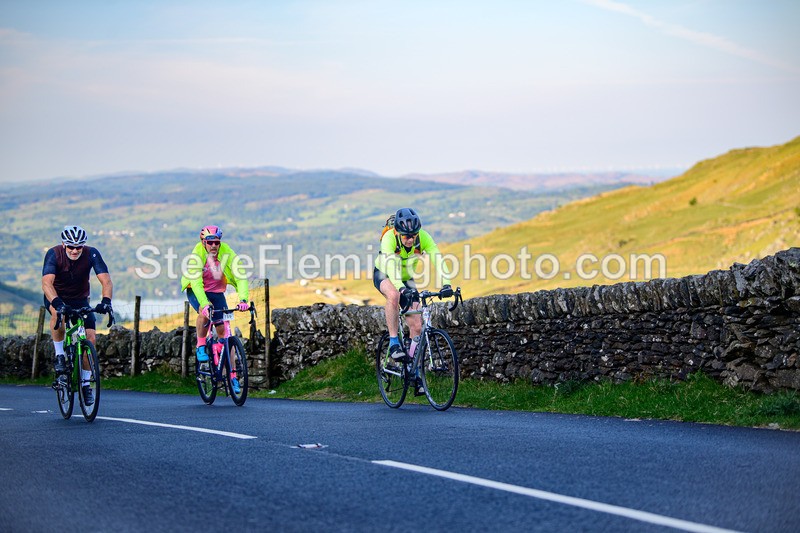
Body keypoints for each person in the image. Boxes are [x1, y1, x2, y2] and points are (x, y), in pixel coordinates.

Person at [42, 225, 113, 405]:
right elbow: (46, 283)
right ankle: (60, 355)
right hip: (56, 297)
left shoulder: (91, 253)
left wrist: (106, 301)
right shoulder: (54, 254)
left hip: (80, 300)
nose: (75, 250)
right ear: (64, 244)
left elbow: (106, 279)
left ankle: (86, 384)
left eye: (79, 247)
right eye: (71, 247)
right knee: (59, 315)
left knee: (90, 338)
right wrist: (56, 302)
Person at [374, 208, 453, 363]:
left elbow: (437, 258)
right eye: (406, 236)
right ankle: (394, 342)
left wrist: (446, 284)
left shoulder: (423, 237)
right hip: (385, 274)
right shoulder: (389, 238)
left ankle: (412, 369)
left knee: (417, 326)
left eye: (413, 235)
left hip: (407, 278)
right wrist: (400, 288)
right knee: (394, 295)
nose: (410, 239)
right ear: (397, 232)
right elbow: (390, 266)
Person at [179, 225, 249, 393]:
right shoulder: (197, 254)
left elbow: (240, 275)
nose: (213, 246)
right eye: (209, 242)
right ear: (203, 242)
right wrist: (204, 304)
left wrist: (244, 299)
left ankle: (233, 376)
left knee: (226, 334)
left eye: (216, 242)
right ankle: (201, 344)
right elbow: (196, 282)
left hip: (217, 291)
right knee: (206, 314)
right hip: (197, 290)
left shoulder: (227, 252)